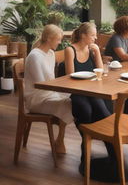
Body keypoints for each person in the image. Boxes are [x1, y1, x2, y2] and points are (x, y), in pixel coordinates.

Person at [63, 22, 114, 175]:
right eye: (93, 35)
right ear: (83, 35)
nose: (95, 38)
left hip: (92, 91)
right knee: (85, 111)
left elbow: (100, 72)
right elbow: (69, 76)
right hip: (77, 91)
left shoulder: (92, 49)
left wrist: (97, 52)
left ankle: (113, 152)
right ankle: (86, 147)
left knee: (103, 113)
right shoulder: (70, 50)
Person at [24, 24, 73, 154]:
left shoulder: (50, 54)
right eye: (58, 39)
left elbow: (50, 81)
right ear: (50, 38)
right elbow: (41, 84)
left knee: (76, 99)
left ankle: (60, 139)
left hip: (49, 94)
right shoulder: (35, 56)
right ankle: (60, 140)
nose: (60, 42)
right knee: (69, 103)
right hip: (37, 99)